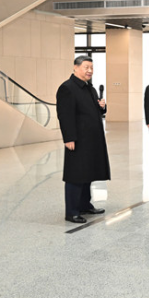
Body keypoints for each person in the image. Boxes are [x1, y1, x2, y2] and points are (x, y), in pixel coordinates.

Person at [56, 55, 109, 224]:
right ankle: (72, 212)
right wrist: (69, 138)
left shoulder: (90, 89)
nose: (90, 71)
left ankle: (85, 205)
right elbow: (65, 116)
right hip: (78, 139)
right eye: (86, 67)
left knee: (88, 173)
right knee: (76, 175)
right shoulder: (67, 88)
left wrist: (102, 107)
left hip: (92, 139)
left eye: (91, 68)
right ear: (75, 67)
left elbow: (95, 112)